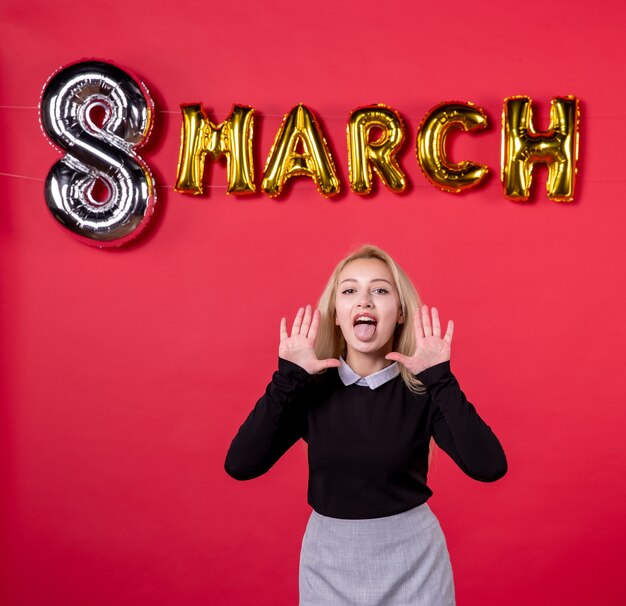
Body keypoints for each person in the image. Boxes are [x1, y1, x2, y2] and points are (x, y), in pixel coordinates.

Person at [225, 244, 507, 606]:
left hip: (414, 562)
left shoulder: (423, 392)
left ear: (400, 313)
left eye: (380, 290)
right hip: (329, 562)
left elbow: (490, 467)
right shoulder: (308, 391)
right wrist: (287, 380)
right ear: (336, 315)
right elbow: (240, 465)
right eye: (349, 291)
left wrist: (441, 380)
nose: (365, 301)